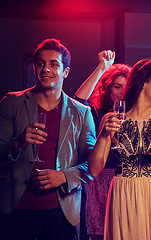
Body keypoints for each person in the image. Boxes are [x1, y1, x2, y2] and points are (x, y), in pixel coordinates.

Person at [0, 38, 96, 239]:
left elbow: (92, 164)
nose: (46, 69)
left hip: (61, 213)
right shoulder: (12, 102)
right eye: (41, 64)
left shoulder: (81, 113)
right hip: (16, 210)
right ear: (34, 69)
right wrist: (17, 142)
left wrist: (64, 176)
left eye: (54, 64)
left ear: (65, 72)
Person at [87, 59, 151, 239]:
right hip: (124, 195)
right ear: (144, 82)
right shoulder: (112, 120)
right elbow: (94, 170)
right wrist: (104, 135)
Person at [74, 50, 131, 240]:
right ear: (108, 88)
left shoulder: (136, 114)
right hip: (100, 181)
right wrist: (102, 68)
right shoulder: (96, 112)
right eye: (117, 87)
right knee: (100, 234)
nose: (122, 92)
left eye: (126, 87)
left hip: (126, 182)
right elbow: (78, 100)